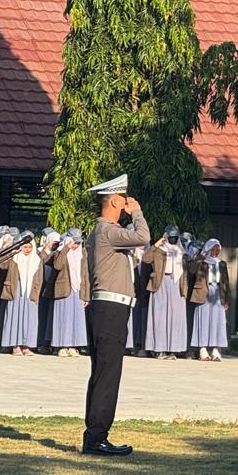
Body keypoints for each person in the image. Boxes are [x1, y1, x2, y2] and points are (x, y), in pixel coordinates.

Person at [82, 174, 149, 456]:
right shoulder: (108, 231)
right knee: (108, 373)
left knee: (102, 372)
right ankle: (97, 437)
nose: (126, 203)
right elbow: (143, 237)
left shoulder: (100, 232)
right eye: (122, 199)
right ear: (113, 201)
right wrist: (137, 213)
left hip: (105, 308)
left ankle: (94, 435)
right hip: (111, 309)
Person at [143, 224, 189, 359]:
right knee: (159, 317)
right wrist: (155, 245)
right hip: (160, 282)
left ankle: (173, 349)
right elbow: (146, 258)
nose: (173, 240)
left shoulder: (181, 251)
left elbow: (187, 270)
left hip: (177, 284)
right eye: (171, 237)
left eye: (175, 237)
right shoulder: (159, 250)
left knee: (176, 317)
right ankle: (159, 349)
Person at [0, 235, 44, 355]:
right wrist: (7, 248)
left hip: (31, 292)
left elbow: (39, 278)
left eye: (30, 247)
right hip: (16, 291)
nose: (27, 250)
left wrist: (36, 293)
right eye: (25, 247)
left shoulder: (37, 260)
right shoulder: (14, 258)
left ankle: (26, 345)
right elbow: (0, 263)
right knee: (15, 317)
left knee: (29, 318)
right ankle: (15, 345)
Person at [189, 239, 231, 361]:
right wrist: (201, 256)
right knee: (203, 320)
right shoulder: (202, 262)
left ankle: (215, 350)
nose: (216, 251)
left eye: (218, 248)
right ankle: (202, 349)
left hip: (218, 293)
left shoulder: (222, 263)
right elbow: (191, 270)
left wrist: (226, 299)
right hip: (203, 292)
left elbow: (226, 282)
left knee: (217, 322)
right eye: (213, 248)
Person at [50, 229, 88, 357]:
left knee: (76, 319)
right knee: (63, 318)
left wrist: (86, 295)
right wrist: (66, 249)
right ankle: (62, 346)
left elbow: (85, 274)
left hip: (78, 290)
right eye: (74, 242)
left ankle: (73, 346)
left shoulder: (82, 253)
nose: (76, 245)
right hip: (64, 289)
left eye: (78, 243)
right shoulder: (60, 252)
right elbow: (57, 266)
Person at [37, 229, 62, 353]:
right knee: (42, 317)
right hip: (42, 290)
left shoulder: (58, 254)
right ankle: (41, 343)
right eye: (54, 243)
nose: (55, 245)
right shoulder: (39, 252)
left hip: (52, 290)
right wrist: (46, 250)